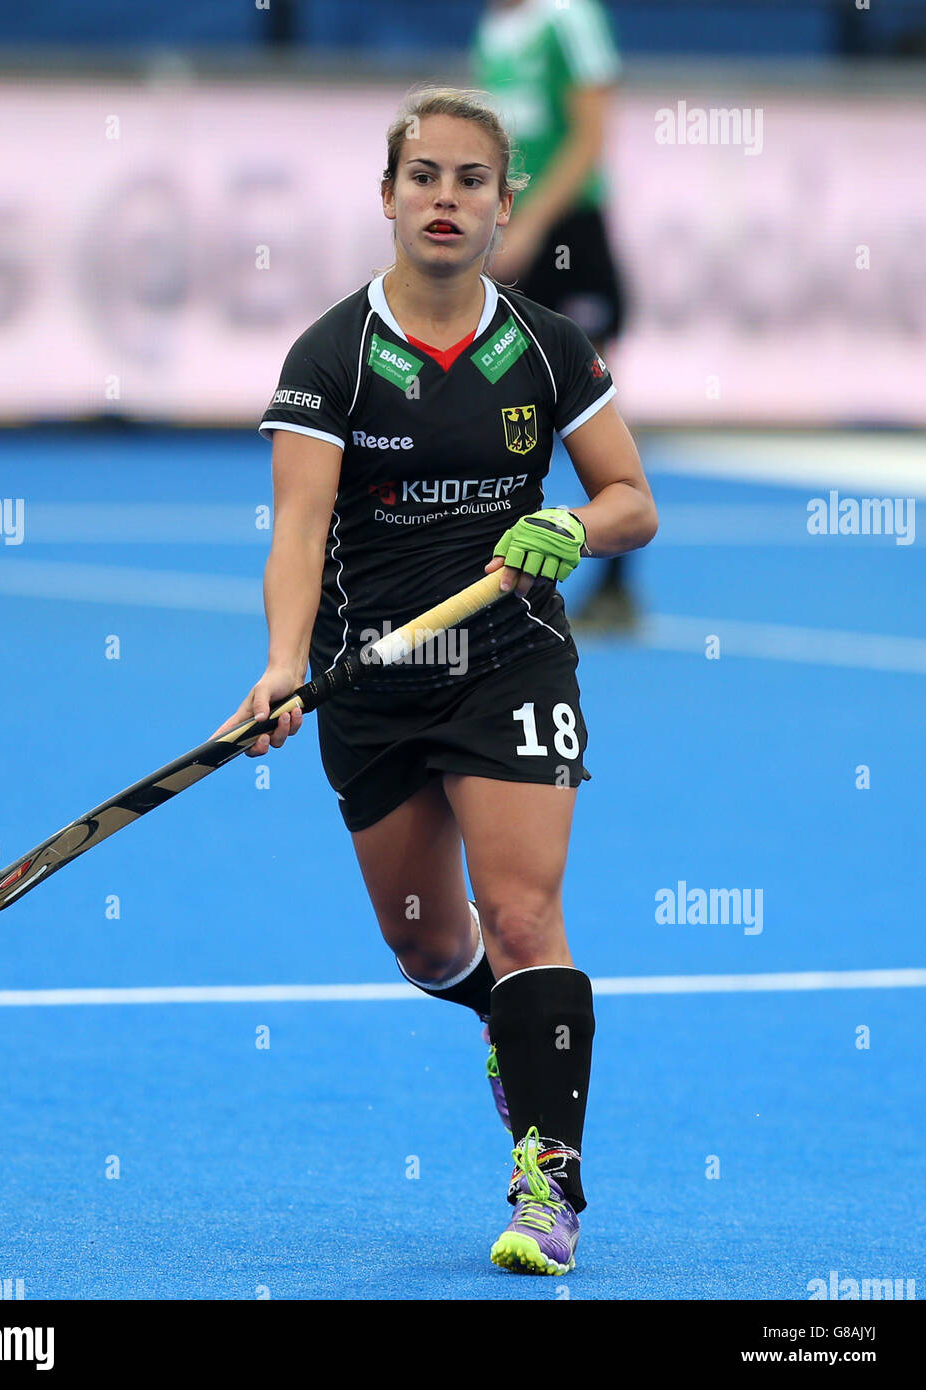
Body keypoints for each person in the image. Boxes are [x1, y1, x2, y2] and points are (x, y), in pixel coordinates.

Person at [213, 87, 657, 1276]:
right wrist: (281, 666)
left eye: (471, 179)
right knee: (428, 945)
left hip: (508, 661)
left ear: (507, 201)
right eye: (425, 177)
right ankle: (518, 1023)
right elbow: (298, 533)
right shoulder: (334, 355)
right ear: (389, 197)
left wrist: (570, 523)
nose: (446, 199)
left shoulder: (547, 346)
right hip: (371, 679)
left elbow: (633, 501)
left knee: (523, 914)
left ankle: (548, 1181)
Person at [473, 0, 638, 631]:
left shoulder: (570, 17)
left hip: (571, 235)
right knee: (502, 395)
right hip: (519, 233)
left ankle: (618, 583)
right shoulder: (493, 27)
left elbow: (590, 137)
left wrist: (534, 222)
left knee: (592, 401)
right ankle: (497, 565)